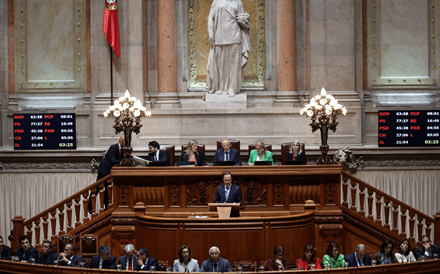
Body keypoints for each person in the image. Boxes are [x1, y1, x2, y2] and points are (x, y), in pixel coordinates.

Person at [204, 0, 251, 97]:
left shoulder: (238, 2)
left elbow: (242, 17)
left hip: (235, 35)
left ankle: (232, 88)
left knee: (234, 64)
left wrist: (245, 20)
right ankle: (220, 88)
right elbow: (210, 18)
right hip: (219, 36)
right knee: (220, 64)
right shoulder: (216, 2)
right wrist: (211, 35)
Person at [89, 135, 125, 212]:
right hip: (104, 171)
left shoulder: (122, 150)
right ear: (121, 141)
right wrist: (124, 160)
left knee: (106, 191)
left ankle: (106, 207)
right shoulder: (113, 147)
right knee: (97, 188)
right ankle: (90, 207)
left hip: (109, 173)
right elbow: (112, 160)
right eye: (125, 141)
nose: (126, 144)